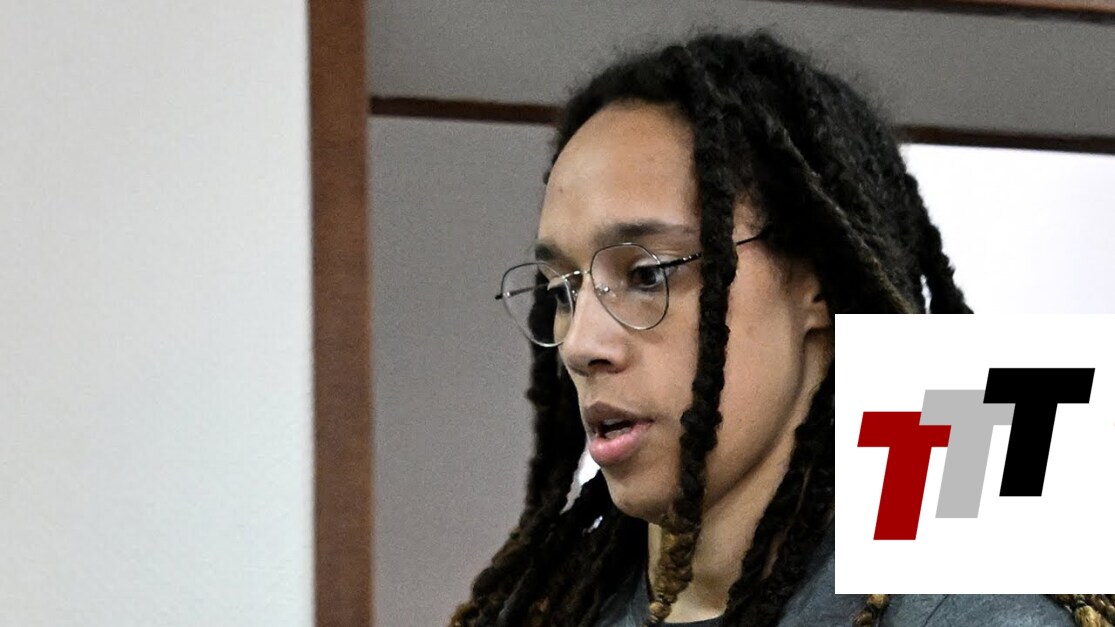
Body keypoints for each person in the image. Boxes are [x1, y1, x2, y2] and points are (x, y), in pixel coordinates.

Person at [450, 31, 1114, 627]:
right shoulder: (549, 604)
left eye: (647, 274)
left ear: (814, 280)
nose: (580, 344)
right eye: (562, 290)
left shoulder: (981, 601)